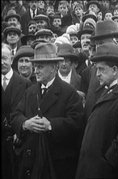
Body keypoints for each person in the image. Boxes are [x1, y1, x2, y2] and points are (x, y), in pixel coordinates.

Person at [11, 43, 85, 179]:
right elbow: (15, 115)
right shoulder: (30, 91)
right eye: (35, 67)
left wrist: (50, 125)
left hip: (56, 164)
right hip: (31, 163)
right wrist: (25, 123)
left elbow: (77, 123)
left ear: (53, 67)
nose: (36, 71)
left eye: (40, 67)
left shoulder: (69, 93)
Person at [75, 42, 118, 179]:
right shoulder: (108, 91)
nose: (97, 75)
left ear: (114, 70)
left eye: (101, 69)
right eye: (96, 69)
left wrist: (107, 163)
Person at [1, 43, 31, 179]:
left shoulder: (25, 83)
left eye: (4, 58)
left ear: (11, 59)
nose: (1, 62)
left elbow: (29, 111)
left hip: (18, 144)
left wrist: (20, 131)